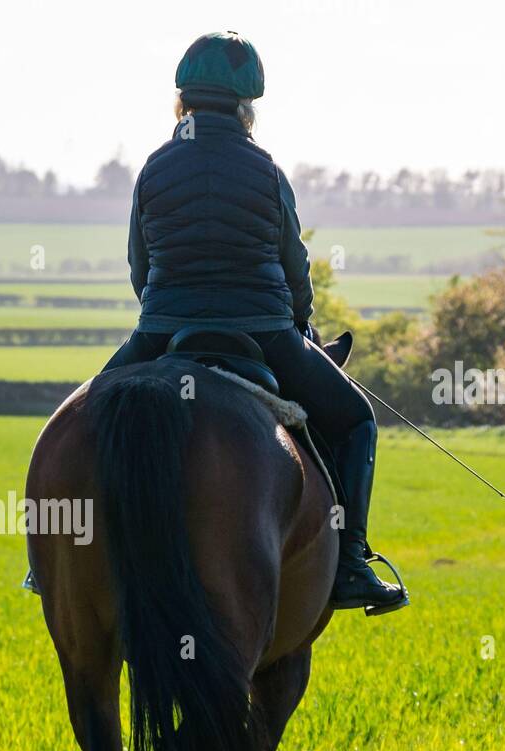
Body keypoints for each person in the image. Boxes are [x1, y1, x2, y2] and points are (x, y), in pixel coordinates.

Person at [104, 31, 407, 614]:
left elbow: (139, 267)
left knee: (78, 417)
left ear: (183, 103)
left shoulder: (153, 169)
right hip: (265, 330)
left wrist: (165, 309)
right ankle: (350, 565)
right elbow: (296, 265)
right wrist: (300, 326)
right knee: (357, 421)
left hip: (164, 328)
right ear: (247, 108)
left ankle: (49, 561)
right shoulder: (266, 170)